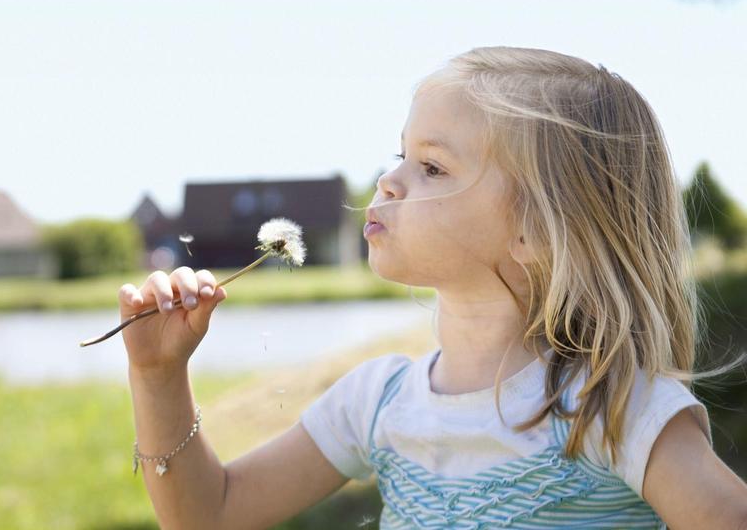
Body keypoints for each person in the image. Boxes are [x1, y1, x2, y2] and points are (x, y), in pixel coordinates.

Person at [120, 46, 747, 529]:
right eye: (399, 155)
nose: (388, 181)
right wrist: (157, 376)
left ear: (537, 229)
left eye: (431, 166)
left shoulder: (613, 410)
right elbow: (209, 514)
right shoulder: (376, 403)